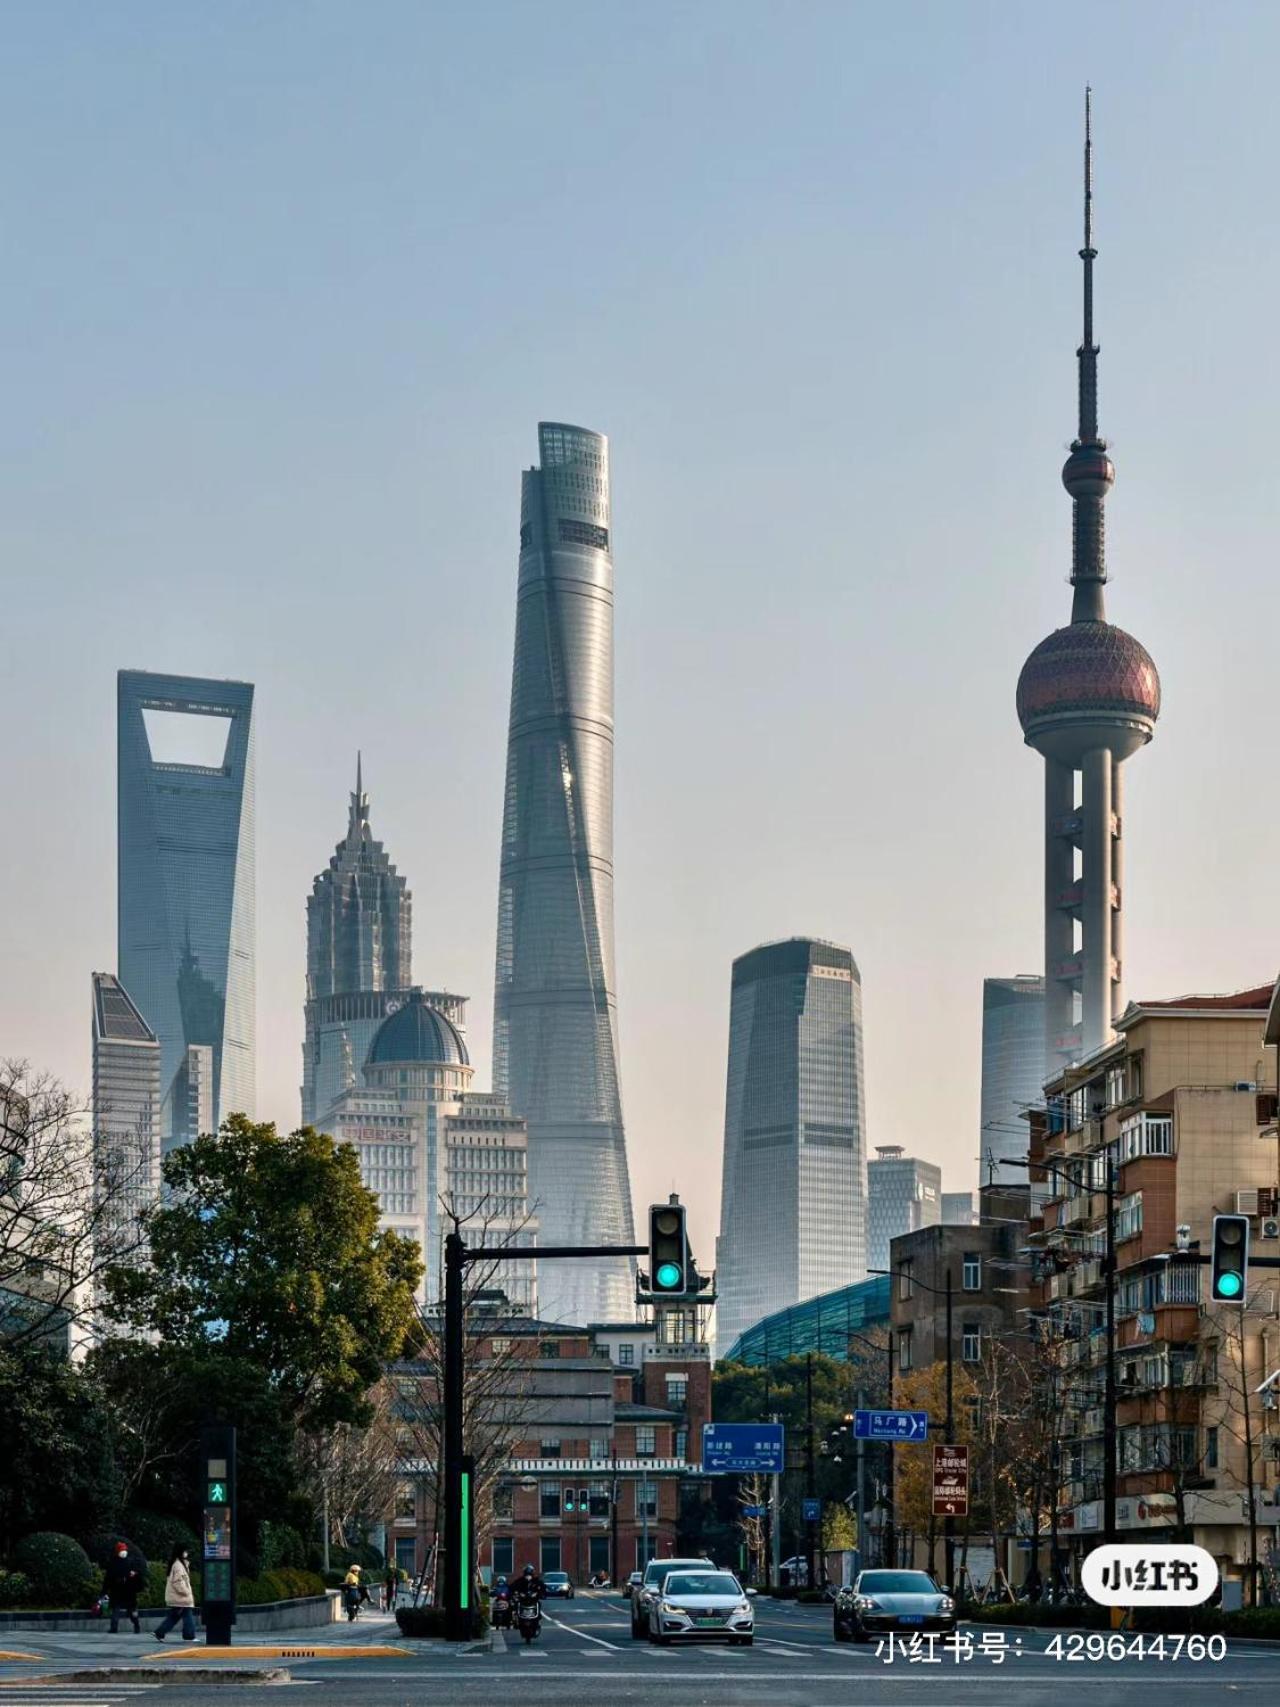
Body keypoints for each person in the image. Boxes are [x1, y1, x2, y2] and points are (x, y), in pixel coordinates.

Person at [154, 1545, 196, 1642]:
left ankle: (159, 1632)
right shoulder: (178, 1565)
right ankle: (189, 1636)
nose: (187, 1553)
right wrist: (186, 1592)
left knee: (174, 1617)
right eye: (185, 1551)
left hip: (178, 1597)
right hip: (181, 1597)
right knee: (187, 1616)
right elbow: (178, 1582)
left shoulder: (179, 1564)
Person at [105, 1542, 143, 1634]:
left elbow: (139, 1573)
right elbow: (108, 1578)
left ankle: (137, 1625)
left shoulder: (131, 1561)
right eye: (121, 1550)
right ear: (117, 1551)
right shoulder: (113, 1563)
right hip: (117, 1590)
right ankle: (114, 1627)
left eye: (124, 1550)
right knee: (116, 1610)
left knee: (131, 1610)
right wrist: (105, 1590)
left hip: (129, 1590)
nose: (123, 1552)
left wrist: (135, 1574)